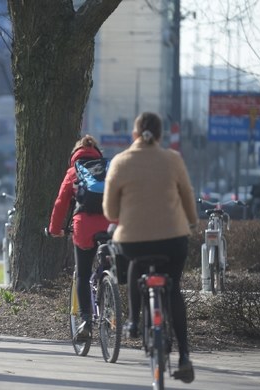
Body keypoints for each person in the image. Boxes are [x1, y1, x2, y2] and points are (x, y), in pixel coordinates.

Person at [103, 112, 198, 383]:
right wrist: (191, 222)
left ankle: (133, 322)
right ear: (160, 136)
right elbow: (187, 196)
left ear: (134, 135)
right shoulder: (172, 159)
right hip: (173, 240)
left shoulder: (120, 162)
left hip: (134, 241)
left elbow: (110, 211)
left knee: (135, 264)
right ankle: (185, 357)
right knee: (174, 289)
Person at [46, 134, 111, 342]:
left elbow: (60, 203)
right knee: (109, 268)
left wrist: (55, 229)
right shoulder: (109, 170)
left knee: (83, 274)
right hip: (111, 224)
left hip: (84, 226)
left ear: (75, 154)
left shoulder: (74, 172)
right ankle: (111, 299)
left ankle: (86, 321)